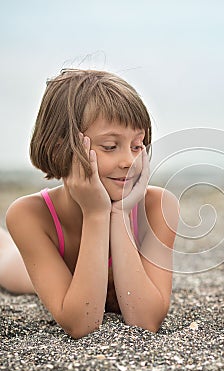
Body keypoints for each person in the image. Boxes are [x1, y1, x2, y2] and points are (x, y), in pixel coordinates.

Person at [0, 69, 179, 338]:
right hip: (22, 268)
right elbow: (81, 323)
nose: (129, 161)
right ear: (63, 148)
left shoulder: (158, 207)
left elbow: (147, 320)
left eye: (137, 145)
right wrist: (95, 214)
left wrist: (119, 212)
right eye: (110, 146)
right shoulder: (30, 215)